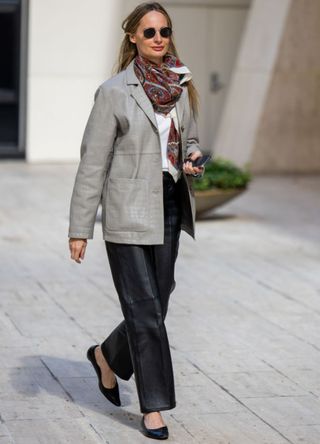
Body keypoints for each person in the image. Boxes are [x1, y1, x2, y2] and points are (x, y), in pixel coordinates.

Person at [68, 2, 204, 440]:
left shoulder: (180, 86)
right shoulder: (114, 92)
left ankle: (107, 357)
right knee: (145, 312)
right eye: (149, 32)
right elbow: (93, 162)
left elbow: (189, 140)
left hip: (167, 207)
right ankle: (155, 409)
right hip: (127, 212)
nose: (159, 38)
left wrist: (193, 157)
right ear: (132, 37)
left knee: (158, 301)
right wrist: (79, 228)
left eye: (164, 30)